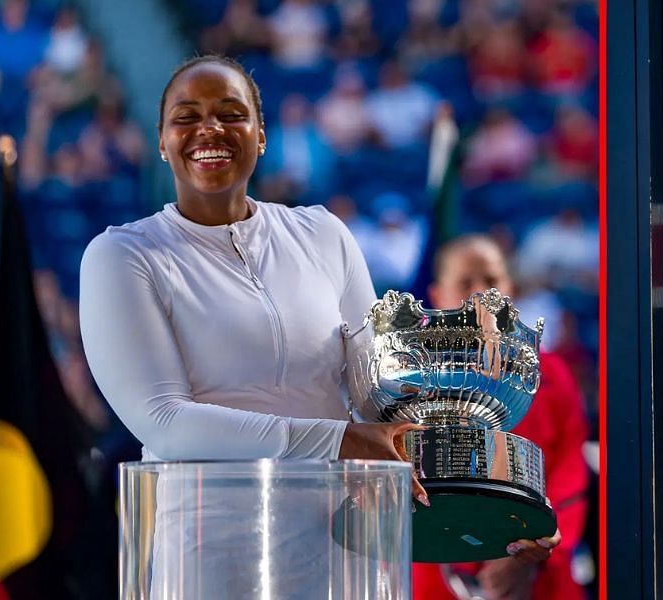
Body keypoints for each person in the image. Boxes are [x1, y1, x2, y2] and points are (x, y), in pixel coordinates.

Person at [77, 56, 552, 596]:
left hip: (341, 553)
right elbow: (164, 420)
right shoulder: (123, 256)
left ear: (260, 136)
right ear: (161, 141)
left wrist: (489, 495)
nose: (209, 129)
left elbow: (379, 396)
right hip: (209, 559)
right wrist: (340, 440)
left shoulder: (322, 234)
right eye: (186, 117)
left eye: (231, 113)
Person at [412, 235, 589, 600]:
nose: (480, 293)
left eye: (491, 281)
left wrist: (534, 544)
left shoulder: (550, 373)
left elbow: (570, 472)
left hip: (538, 570)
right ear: (438, 294)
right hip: (437, 568)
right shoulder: (410, 380)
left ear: (510, 288)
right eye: (465, 282)